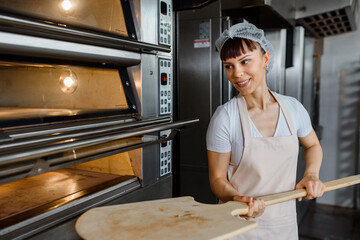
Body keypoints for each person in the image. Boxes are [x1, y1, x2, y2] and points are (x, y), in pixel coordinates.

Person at [206, 21, 326, 239]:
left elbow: (313, 145)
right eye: (229, 66)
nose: (237, 73)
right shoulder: (225, 117)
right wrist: (236, 197)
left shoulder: (293, 108)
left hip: (284, 227)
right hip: (238, 227)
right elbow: (217, 179)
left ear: (265, 59)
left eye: (245, 62)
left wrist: (311, 175)